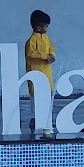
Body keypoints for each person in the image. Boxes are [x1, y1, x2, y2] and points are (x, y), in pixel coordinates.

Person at [25, 9, 57, 139]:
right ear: (39, 27)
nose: (47, 29)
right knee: (36, 97)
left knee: (48, 95)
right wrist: (45, 56)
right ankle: (34, 118)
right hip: (36, 71)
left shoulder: (46, 38)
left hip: (46, 72)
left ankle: (48, 118)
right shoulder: (32, 40)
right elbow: (30, 54)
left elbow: (52, 48)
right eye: (46, 26)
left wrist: (52, 55)